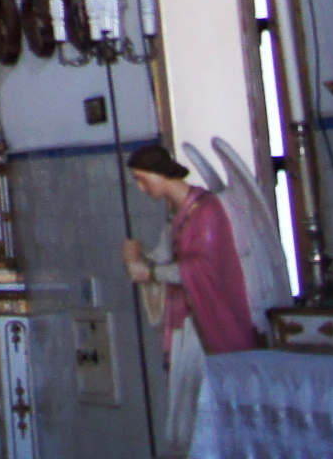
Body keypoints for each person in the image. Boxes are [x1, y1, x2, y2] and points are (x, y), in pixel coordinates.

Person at [123, 141, 261, 449]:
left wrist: (153, 272)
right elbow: (163, 259)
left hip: (209, 328)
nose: (142, 188)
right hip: (188, 327)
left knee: (203, 410)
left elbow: (203, 269)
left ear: (161, 174)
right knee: (185, 412)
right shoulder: (179, 216)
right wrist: (139, 258)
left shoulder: (208, 210)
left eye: (143, 179)